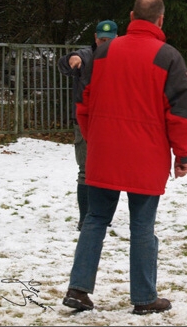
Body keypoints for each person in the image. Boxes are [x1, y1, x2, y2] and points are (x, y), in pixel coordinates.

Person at [62, 0, 187, 314]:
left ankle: (78, 289)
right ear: (160, 20)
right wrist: (182, 155)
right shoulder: (168, 56)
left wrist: (94, 138)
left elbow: (84, 103)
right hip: (146, 155)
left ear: (131, 15)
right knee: (142, 227)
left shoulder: (104, 51)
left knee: (95, 219)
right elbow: (181, 113)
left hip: (104, 151)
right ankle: (144, 298)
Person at [58, 19, 118, 231]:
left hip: (112, 122)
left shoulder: (121, 57)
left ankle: (105, 215)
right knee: (85, 169)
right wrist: (71, 59)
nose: (105, 43)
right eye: (102, 39)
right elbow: (66, 62)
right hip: (85, 122)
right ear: (95, 37)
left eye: (109, 40)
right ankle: (85, 219)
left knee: (110, 170)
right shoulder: (85, 55)